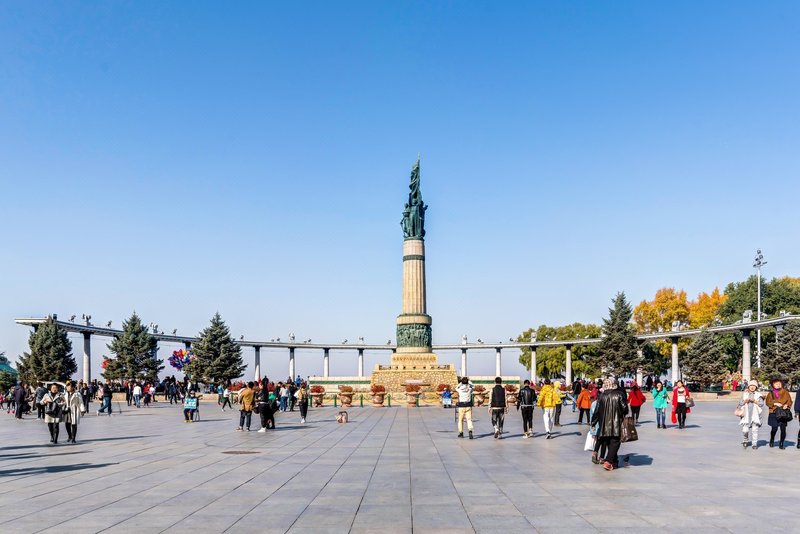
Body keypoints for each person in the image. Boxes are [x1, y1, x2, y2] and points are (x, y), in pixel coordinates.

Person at [592, 378, 629, 471]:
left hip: (604, 424)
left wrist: (593, 422)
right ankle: (608, 462)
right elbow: (625, 409)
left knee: (609, 443)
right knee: (615, 442)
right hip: (616, 423)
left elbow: (596, 411)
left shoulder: (601, 396)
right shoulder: (619, 394)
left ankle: (614, 462)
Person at [765, 377, 792, 449]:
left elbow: (790, 401)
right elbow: (767, 402)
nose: (778, 385)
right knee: (774, 428)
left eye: (779, 383)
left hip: (783, 413)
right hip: (774, 412)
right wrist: (775, 404)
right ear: (773, 385)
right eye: (776, 384)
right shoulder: (771, 393)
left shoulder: (785, 392)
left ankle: (781, 443)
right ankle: (772, 439)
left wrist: (787, 405)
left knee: (783, 429)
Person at [738, 380, 764, 449]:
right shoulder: (745, 394)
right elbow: (740, 403)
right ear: (748, 386)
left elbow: (761, 404)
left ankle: (754, 444)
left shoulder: (758, 395)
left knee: (754, 430)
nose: (752, 387)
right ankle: (745, 440)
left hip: (755, 416)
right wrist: (745, 401)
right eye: (751, 385)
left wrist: (755, 401)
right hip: (746, 416)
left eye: (754, 386)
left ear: (756, 387)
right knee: (745, 430)